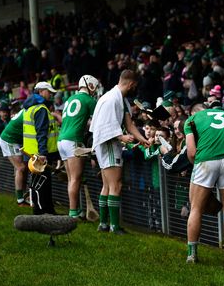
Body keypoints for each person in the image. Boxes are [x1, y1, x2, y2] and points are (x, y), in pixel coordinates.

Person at [184, 99, 224, 267]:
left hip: (205, 160)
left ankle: (192, 255)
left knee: (196, 207)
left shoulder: (192, 120)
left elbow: (192, 152)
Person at [90, 69, 151, 234]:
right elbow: (104, 125)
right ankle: (114, 227)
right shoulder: (110, 99)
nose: (135, 89)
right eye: (135, 86)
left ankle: (103, 224)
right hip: (109, 144)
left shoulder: (120, 99)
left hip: (110, 143)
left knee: (107, 186)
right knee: (115, 185)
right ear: (131, 84)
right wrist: (121, 137)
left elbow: (129, 125)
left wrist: (141, 139)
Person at [57, 75, 98, 219]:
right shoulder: (89, 100)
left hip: (61, 139)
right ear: (91, 86)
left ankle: (76, 210)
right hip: (73, 140)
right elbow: (97, 122)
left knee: (71, 178)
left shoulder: (69, 99)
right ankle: (73, 212)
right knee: (75, 178)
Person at [22, 81, 61, 215]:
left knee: (41, 182)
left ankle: (47, 210)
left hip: (33, 153)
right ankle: (40, 211)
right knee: (41, 183)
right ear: (40, 91)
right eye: (48, 91)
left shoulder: (30, 107)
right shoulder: (41, 109)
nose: (50, 94)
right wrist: (43, 153)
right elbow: (41, 133)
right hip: (40, 154)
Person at [0, 103, 28, 205]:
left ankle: (23, 196)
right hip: (9, 140)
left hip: (14, 141)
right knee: (21, 168)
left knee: (22, 168)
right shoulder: (27, 113)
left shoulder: (25, 111)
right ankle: (20, 200)